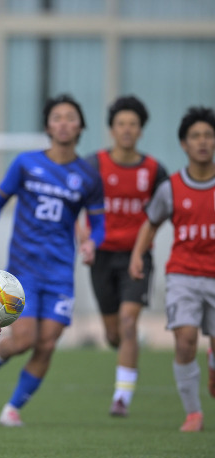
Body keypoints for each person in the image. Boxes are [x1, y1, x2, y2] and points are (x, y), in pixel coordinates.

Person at [0, 94, 105, 427]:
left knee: (47, 344)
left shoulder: (87, 176)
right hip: (25, 269)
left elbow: (99, 224)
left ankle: (12, 409)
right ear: (47, 126)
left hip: (60, 273)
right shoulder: (26, 163)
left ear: (81, 126)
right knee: (26, 339)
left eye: (70, 117)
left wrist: (92, 245)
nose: (63, 122)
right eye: (57, 117)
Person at [129, 106, 215, 432]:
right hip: (183, 275)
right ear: (184, 144)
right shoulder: (171, 188)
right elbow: (150, 224)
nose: (203, 141)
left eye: (208, 135)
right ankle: (193, 413)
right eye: (196, 136)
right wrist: (138, 255)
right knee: (185, 341)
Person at [82, 96, 168, 417]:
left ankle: (122, 397)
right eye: (121, 124)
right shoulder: (94, 165)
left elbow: (162, 215)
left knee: (129, 322)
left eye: (133, 124)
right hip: (102, 257)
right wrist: (85, 240)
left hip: (137, 258)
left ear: (141, 130)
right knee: (114, 334)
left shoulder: (155, 171)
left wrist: (144, 248)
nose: (127, 130)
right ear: (112, 129)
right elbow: (76, 208)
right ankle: (127, 357)